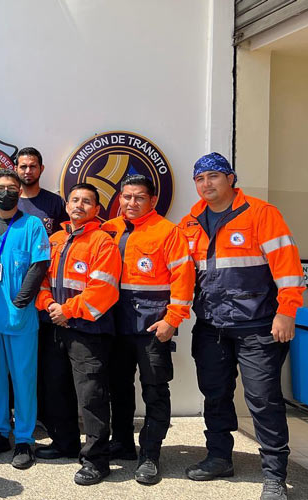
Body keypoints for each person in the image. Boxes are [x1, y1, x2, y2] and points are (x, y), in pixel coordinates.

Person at [179, 153, 305, 500]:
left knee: (263, 400)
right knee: (215, 396)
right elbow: (182, 275)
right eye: (200, 178)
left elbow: (289, 269)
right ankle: (219, 457)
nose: (207, 184)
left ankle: (274, 475)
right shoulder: (190, 222)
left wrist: (286, 312)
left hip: (259, 326)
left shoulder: (262, 214)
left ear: (230, 179)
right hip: (211, 326)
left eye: (214, 176)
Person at [101, 174, 195, 484]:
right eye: (126, 197)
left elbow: (183, 278)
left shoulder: (168, 232)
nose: (131, 203)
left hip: (153, 327)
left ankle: (150, 454)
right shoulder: (109, 229)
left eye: (139, 197)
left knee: (155, 390)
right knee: (119, 388)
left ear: (152, 201)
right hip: (116, 326)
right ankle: (123, 443)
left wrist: (173, 319)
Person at [35, 182, 122, 485]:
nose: (79, 205)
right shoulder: (56, 239)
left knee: (91, 396)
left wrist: (67, 310)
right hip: (55, 327)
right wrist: (48, 306)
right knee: (56, 389)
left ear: (96, 210)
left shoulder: (103, 242)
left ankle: (97, 459)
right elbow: (41, 279)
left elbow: (104, 290)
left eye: (87, 202)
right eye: (75, 200)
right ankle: (65, 443)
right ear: (67, 205)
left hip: (88, 330)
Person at [0, 169, 50, 470]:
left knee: (24, 378)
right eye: (0, 188)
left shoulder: (32, 225)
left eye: (11, 187)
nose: (6, 192)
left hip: (20, 315)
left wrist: (21, 301)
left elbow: (39, 263)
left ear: (19, 192)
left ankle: (24, 439)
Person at [14, 146, 69, 442]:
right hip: (14, 294)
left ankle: (46, 417)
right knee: (17, 361)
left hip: (47, 294)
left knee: (46, 361)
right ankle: (19, 416)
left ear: (41, 169)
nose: (27, 171)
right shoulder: (7, 202)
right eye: (22, 166)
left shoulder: (53, 203)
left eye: (32, 166)